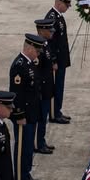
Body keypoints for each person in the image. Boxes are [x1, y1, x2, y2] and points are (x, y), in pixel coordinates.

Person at [9, 33, 46, 180]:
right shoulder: (19, 66)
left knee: (29, 146)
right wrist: (19, 115)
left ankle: (26, 173)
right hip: (23, 115)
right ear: (29, 48)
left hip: (32, 113)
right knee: (22, 147)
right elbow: (16, 94)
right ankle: (20, 178)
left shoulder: (29, 63)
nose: (38, 54)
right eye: (37, 51)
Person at [44, 0, 73, 124]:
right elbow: (49, 42)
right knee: (56, 87)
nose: (67, 8)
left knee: (60, 86)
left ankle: (57, 111)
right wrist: (53, 60)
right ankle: (54, 113)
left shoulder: (58, 16)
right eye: (66, 5)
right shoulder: (52, 18)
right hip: (56, 61)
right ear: (59, 3)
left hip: (61, 60)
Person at [34, 18, 56, 154]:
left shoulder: (45, 44)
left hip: (47, 88)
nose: (51, 32)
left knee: (44, 118)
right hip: (42, 90)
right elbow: (37, 73)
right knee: (40, 118)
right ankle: (38, 144)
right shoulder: (38, 48)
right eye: (49, 30)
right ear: (41, 31)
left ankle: (42, 141)